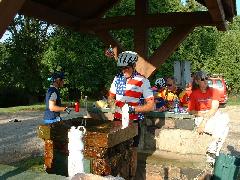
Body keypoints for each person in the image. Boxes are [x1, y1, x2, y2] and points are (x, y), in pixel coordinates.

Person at [108, 51, 154, 179]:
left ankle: (131, 177)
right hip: (117, 121)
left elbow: (151, 105)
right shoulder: (117, 79)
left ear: (133, 66)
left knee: (132, 150)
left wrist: (133, 109)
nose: (124, 70)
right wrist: (113, 104)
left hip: (133, 122)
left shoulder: (142, 81)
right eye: (122, 68)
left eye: (126, 67)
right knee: (116, 150)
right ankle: (117, 176)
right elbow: (110, 97)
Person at [188, 71, 229, 164]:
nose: (206, 80)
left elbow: (214, 109)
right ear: (197, 81)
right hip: (201, 115)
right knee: (224, 129)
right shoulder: (193, 94)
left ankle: (212, 151)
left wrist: (204, 121)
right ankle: (214, 153)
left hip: (212, 115)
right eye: (203, 79)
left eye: (207, 78)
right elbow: (191, 110)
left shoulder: (214, 91)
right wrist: (202, 114)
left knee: (225, 118)